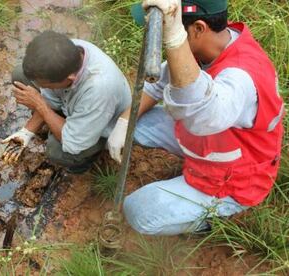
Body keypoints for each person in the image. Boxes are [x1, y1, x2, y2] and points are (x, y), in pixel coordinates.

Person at [108, 0, 284, 235]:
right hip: (210, 141)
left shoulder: (240, 78)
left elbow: (201, 118)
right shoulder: (207, 45)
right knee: (132, 125)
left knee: (138, 212)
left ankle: (214, 218)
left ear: (198, 28)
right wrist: (123, 124)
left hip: (234, 176)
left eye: (169, 32)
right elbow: (157, 84)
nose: (161, 41)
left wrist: (175, 41)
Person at [1, 31, 132, 174]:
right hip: (75, 103)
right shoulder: (69, 51)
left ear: (70, 78)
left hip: (99, 125)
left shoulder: (99, 89)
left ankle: (85, 162)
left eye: (46, 85)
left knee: (58, 151)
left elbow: (74, 143)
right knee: (21, 75)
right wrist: (26, 132)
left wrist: (40, 105)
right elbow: (48, 97)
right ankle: (55, 119)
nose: (42, 88)